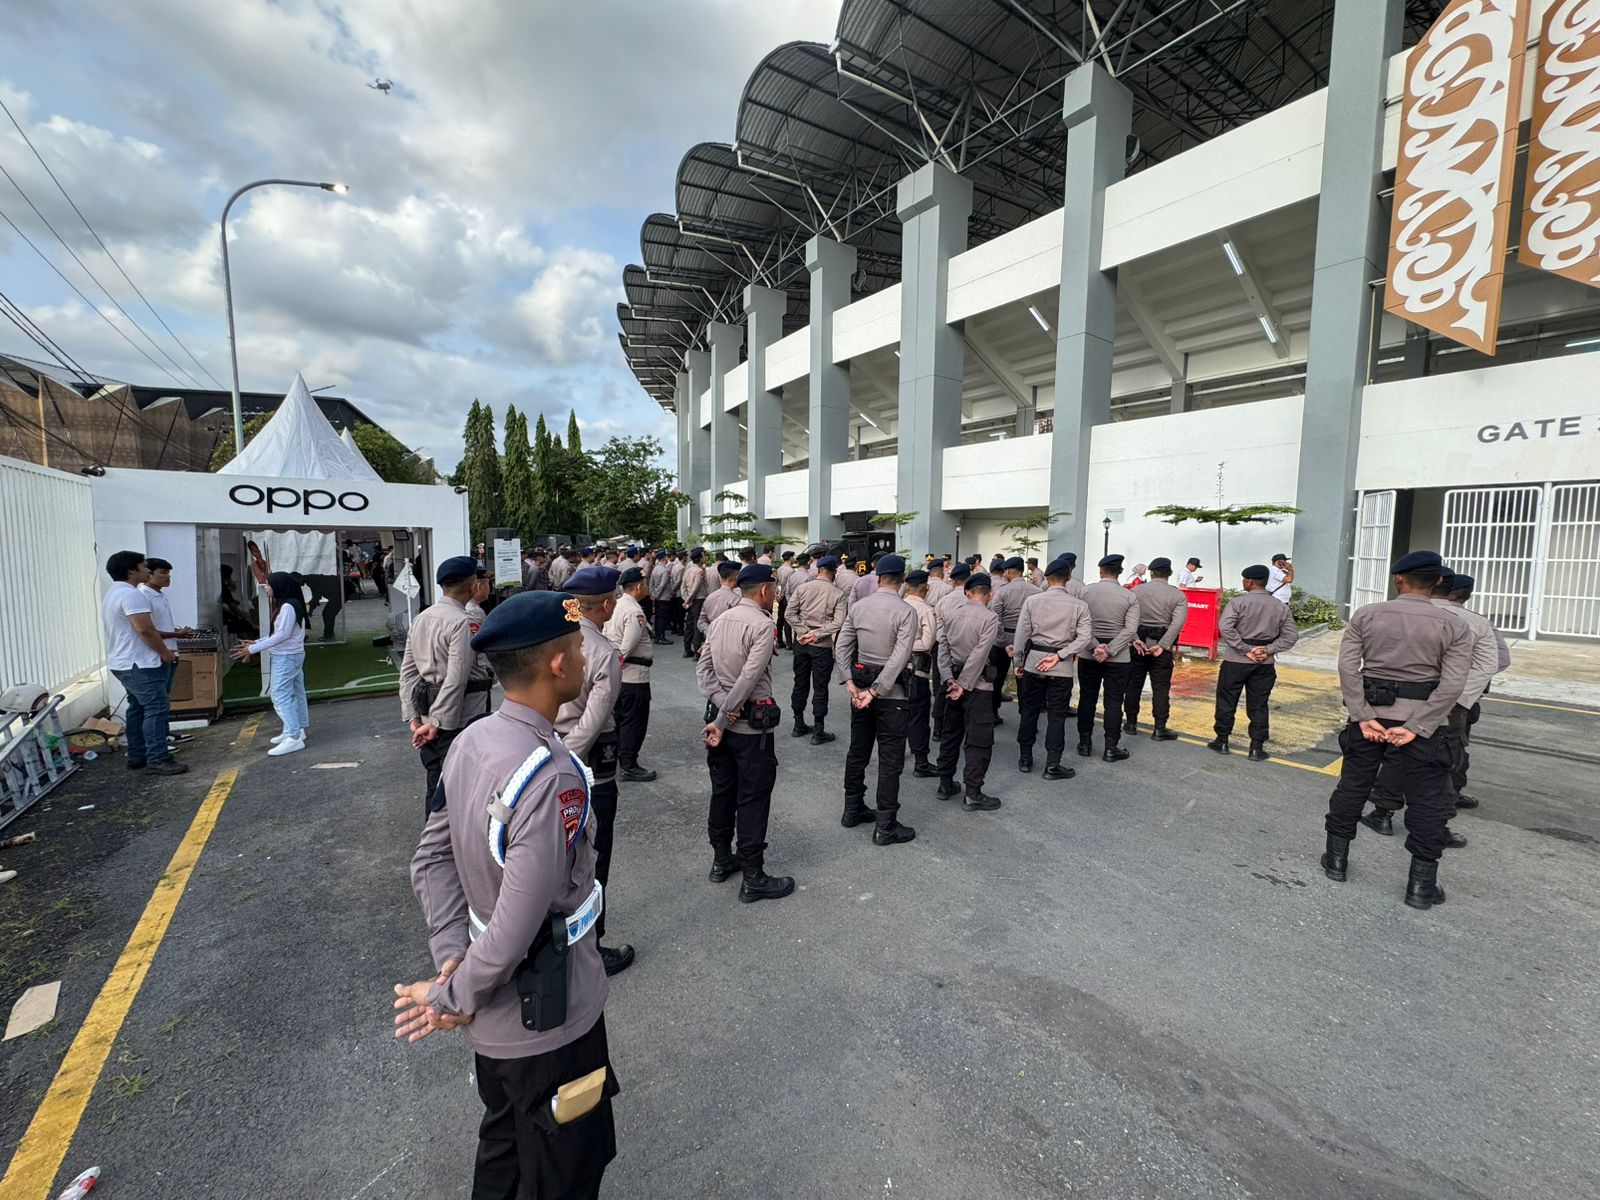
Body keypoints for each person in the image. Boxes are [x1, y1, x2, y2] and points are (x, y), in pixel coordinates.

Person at [397, 591, 618, 1198]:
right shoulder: (551, 775)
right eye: (576, 648)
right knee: (564, 1171)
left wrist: (452, 959)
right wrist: (451, 995)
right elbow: (520, 923)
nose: (584, 658)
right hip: (548, 1016)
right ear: (556, 664)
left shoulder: (472, 741)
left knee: (504, 1150)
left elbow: (431, 858)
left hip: (496, 1013)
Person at [1320, 551, 1473, 910]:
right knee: (1428, 800)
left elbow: (1348, 668)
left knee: (1353, 786)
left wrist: (1362, 715)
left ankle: (1336, 861)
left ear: (1398, 579)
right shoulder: (1454, 625)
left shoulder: (1367, 615)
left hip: (1370, 718)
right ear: (1438, 581)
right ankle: (1421, 885)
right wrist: (1418, 726)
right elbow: (1453, 684)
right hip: (1424, 723)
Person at [1359, 571, 1500, 845]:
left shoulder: (1393, 613)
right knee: (1442, 764)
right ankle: (1438, 826)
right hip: (1451, 704)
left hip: (1404, 700)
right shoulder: (1475, 622)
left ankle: (1383, 812)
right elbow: (1492, 663)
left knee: (1396, 757)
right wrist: (1456, 698)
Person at [696, 564, 796, 902]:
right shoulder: (763, 625)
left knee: (723, 791)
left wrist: (720, 709)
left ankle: (721, 859)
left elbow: (703, 671)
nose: (776, 595)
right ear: (765, 590)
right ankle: (753, 876)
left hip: (719, 722)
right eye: (775, 589)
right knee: (753, 798)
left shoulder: (720, 620)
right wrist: (728, 714)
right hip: (748, 728)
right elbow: (749, 679)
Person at [557, 566, 633, 976]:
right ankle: (590, 948)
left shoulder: (555, 636)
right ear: (606, 604)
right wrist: (565, 759)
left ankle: (559, 943)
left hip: (547, 750)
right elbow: (594, 718)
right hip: (586, 764)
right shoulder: (602, 650)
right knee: (593, 858)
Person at [399, 556, 496, 813]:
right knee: (458, 785)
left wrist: (414, 717)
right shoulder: (461, 621)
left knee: (436, 782)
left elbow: (408, 673)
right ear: (473, 585)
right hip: (459, 715)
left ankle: (433, 832)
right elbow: (456, 678)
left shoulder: (422, 618)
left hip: (427, 711)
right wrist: (437, 722)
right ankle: (450, 835)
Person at [833, 555, 918, 844]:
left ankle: (852, 808)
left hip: (860, 690)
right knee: (890, 760)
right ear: (903, 580)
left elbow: (842, 646)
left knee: (858, 751)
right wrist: (876, 691)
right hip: (891, 696)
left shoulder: (859, 607)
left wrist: (849, 681)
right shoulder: (906, 612)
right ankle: (886, 825)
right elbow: (900, 657)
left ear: (878, 578)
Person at [102, 551, 187, 776]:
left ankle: (137, 756)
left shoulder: (115, 592)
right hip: (139, 663)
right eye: (143, 566)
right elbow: (145, 629)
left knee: (138, 708)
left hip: (125, 662)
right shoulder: (133, 595)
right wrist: (164, 653)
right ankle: (158, 759)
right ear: (131, 570)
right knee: (156, 708)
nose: (147, 570)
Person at [1012, 554, 1094, 779]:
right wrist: (1061, 655)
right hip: (1061, 667)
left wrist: (1018, 662)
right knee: (1057, 716)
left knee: (1029, 711)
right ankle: (1052, 765)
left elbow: (1021, 635)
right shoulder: (1079, 606)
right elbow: (1085, 637)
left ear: (1046, 578)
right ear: (1069, 577)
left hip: (1034, 662)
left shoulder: (1032, 601)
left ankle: (1025, 758)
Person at [1208, 565, 1300, 761]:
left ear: (1249, 581)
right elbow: (1291, 636)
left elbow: (1225, 627)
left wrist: (1246, 650)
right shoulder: (1280, 606)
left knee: (1227, 699)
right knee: (1259, 704)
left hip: (1235, 661)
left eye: (1244, 579)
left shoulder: (1238, 602)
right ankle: (1256, 747)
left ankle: (1222, 740)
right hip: (1264, 663)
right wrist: (1267, 650)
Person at [936, 573, 1003, 810]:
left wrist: (949, 679)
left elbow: (942, 649)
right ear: (989, 594)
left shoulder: (952, 615)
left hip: (952, 682)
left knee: (951, 733)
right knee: (978, 739)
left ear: (967, 593)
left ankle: (945, 783)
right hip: (978, 685)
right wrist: (964, 685)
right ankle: (973, 792)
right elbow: (979, 654)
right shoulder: (990, 618)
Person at [231, 570, 312, 757]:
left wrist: (253, 648)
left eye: (268, 584)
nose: (266, 588)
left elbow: (282, 635)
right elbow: (280, 635)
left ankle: (293, 736)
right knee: (294, 692)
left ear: (279, 586)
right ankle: (295, 729)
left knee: (280, 695)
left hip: (286, 656)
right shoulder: (290, 604)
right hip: (290, 655)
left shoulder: (288, 607)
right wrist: (256, 643)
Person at [1075, 555, 1140, 762]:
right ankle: (1111, 748)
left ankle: (1084, 743)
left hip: (1089, 653)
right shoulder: (1129, 596)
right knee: (1114, 701)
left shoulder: (1085, 592)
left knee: (1087, 698)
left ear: (1100, 571)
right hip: (1118, 657)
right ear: (1120, 572)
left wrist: (1095, 646)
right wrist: (1110, 650)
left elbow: (1079, 624)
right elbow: (1131, 629)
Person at [784, 555, 848, 744]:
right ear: (834, 572)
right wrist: (817, 633)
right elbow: (838, 622)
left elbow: (789, 613)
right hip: (822, 646)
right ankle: (818, 730)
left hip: (801, 643)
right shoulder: (838, 594)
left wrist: (804, 632)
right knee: (821, 687)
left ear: (819, 570)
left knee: (800, 683)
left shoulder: (803, 588)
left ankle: (798, 724)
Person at [1124, 557, 1188, 741]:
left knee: (1133, 684)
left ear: (1151, 573)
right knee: (1161, 688)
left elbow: (1127, 619)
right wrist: (1163, 645)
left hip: (1138, 644)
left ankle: (1130, 723)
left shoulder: (1135, 591)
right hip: (1162, 646)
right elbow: (1177, 623)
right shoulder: (1177, 595)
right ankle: (1159, 728)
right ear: (1169, 573)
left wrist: (1136, 639)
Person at [606, 567, 657, 784]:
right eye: (645, 584)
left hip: (620, 675)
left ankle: (620, 760)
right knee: (633, 722)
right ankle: (629, 765)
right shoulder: (634, 610)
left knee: (620, 719)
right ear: (638, 586)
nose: (646, 587)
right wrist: (616, 664)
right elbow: (627, 646)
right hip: (633, 675)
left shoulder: (617, 604)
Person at [139, 558, 195, 702]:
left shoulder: (160, 595)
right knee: (157, 701)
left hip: (169, 652)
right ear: (149, 574)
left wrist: (178, 632)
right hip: (156, 655)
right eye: (163, 572)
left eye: (168, 573)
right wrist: (177, 634)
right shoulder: (143, 596)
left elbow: (159, 625)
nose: (168, 576)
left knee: (164, 696)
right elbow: (148, 630)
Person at [988, 557, 1037, 721]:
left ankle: (993, 714)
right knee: (1026, 680)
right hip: (1027, 640)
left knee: (996, 679)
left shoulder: (1002, 591)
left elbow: (995, 618)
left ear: (1008, 571)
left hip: (1003, 639)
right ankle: (1027, 719)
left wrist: (1003, 641)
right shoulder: (1036, 591)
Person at [902, 571, 940, 779]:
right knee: (918, 717)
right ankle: (921, 763)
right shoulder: (926, 610)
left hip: (895, 669)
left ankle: (896, 754)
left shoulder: (898, 605)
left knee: (898, 713)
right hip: (917, 671)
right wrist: (907, 645)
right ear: (927, 588)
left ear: (907, 586)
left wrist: (899, 646)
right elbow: (927, 643)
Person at [931, 562, 972, 751]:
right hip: (969, 650)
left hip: (944, 648)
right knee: (970, 688)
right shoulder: (973, 600)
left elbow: (938, 629)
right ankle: (967, 731)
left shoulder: (943, 601)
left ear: (953, 579)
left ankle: (938, 728)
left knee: (943, 687)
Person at [698, 560, 742, 638]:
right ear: (736, 577)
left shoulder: (709, 598)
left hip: (712, 639)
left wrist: (710, 633)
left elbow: (701, 622)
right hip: (731, 638)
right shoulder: (737, 600)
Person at [679, 547, 710, 658]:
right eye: (704, 555)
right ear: (700, 558)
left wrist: (686, 599)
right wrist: (688, 600)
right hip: (698, 600)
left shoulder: (688, 570)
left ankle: (687, 649)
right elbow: (695, 589)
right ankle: (697, 651)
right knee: (698, 625)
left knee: (689, 624)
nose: (706, 557)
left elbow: (683, 587)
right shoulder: (699, 571)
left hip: (690, 600)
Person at [219, 564, 259, 639]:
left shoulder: (221, 585)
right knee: (244, 621)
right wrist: (242, 617)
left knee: (244, 618)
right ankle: (250, 632)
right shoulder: (223, 587)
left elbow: (229, 600)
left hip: (222, 610)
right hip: (223, 614)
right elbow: (232, 606)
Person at [647, 550, 675, 644]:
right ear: (665, 558)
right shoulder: (665, 570)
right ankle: (661, 637)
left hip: (656, 597)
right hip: (663, 597)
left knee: (657, 617)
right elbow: (662, 585)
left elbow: (651, 583)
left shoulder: (655, 569)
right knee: (662, 618)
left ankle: (657, 636)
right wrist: (657, 595)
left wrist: (652, 594)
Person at [774, 551, 798, 650]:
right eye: (793, 557)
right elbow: (787, 586)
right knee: (787, 619)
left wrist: (777, 594)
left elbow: (776, 582)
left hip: (780, 596)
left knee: (780, 619)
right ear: (790, 558)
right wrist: (781, 595)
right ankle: (789, 643)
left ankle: (779, 640)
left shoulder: (779, 569)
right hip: (787, 597)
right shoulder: (791, 571)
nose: (794, 559)